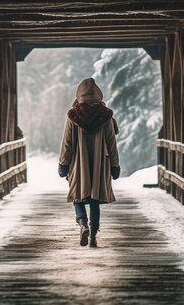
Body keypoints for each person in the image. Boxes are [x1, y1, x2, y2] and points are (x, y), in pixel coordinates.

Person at [58, 78, 120, 248]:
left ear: (79, 97)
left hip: (78, 164)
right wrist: (115, 165)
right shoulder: (106, 116)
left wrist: (63, 164)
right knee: (95, 199)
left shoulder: (73, 116)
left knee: (78, 196)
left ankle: (82, 224)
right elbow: (111, 143)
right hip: (100, 164)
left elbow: (67, 143)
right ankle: (93, 234)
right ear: (98, 96)